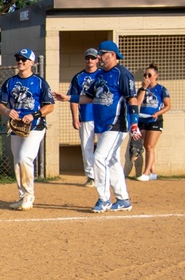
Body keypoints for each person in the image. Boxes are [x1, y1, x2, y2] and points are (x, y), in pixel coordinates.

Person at [53, 40, 138, 213]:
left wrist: (135, 123)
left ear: (112, 55)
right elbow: (88, 98)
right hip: (102, 126)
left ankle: (104, 198)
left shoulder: (122, 74)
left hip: (116, 125)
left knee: (99, 157)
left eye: (102, 53)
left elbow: (132, 99)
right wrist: (68, 98)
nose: (99, 57)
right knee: (112, 161)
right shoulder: (100, 76)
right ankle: (123, 199)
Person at [0, 49, 54, 211]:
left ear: (32, 63)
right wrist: (7, 111)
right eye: (18, 59)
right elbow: (0, 104)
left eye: (24, 59)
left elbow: (50, 106)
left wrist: (34, 115)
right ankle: (22, 196)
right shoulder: (10, 82)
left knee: (24, 157)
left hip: (35, 127)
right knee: (17, 162)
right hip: (16, 127)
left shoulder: (40, 82)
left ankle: (29, 195)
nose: (20, 62)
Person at [66, 48, 100, 187]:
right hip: (86, 116)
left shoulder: (103, 75)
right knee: (87, 147)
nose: (90, 60)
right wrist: (75, 117)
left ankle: (105, 174)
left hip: (103, 116)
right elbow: (73, 99)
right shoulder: (78, 77)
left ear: (98, 59)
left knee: (106, 146)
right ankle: (91, 176)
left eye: (93, 58)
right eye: (88, 58)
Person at [135, 64, 171, 181]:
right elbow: (138, 103)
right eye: (145, 75)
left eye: (149, 75)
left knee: (149, 146)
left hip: (155, 120)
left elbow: (168, 105)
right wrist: (144, 89)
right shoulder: (142, 89)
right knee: (147, 147)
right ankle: (153, 173)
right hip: (143, 119)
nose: (147, 77)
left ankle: (146, 173)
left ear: (156, 76)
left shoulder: (161, 89)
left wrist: (158, 113)